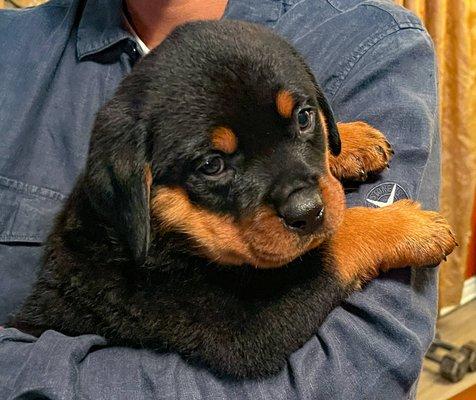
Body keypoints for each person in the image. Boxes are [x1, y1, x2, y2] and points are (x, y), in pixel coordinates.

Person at [0, 0, 440, 398]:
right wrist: (358, 241)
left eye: (304, 119)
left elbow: (350, 372)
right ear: (141, 190)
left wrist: (323, 146)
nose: (305, 205)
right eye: (213, 166)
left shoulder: (370, 40)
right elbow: (251, 341)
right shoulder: (15, 49)